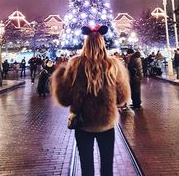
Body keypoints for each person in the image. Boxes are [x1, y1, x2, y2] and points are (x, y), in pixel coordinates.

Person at [52, 25, 130, 176]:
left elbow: (65, 99)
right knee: (107, 168)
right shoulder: (113, 65)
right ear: (102, 42)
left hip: (83, 124)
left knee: (86, 168)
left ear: (85, 43)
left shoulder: (74, 64)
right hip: (106, 124)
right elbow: (121, 99)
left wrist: (60, 77)